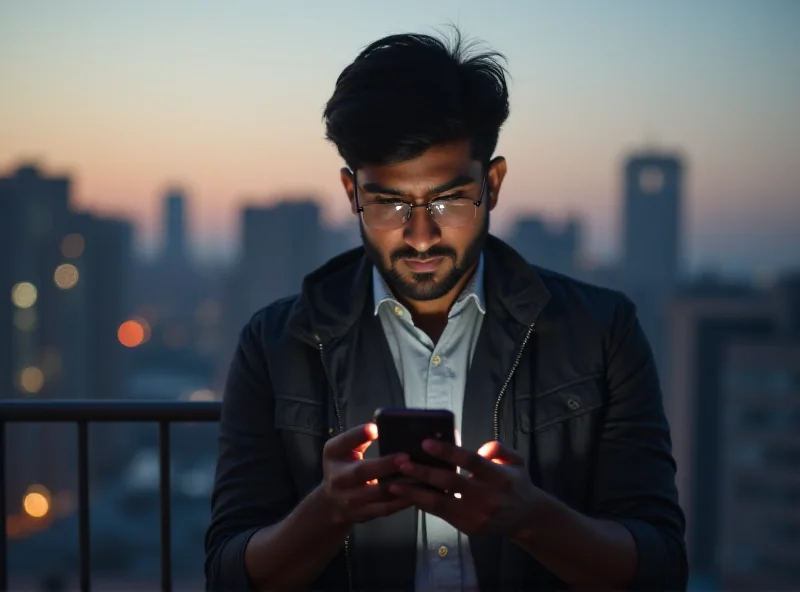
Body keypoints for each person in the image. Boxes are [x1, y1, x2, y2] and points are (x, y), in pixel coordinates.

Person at [204, 28, 687, 592]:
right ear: (351, 193)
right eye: (389, 202)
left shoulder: (601, 331)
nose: (421, 235)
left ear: (493, 183)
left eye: (448, 198)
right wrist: (328, 513)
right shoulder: (275, 344)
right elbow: (228, 574)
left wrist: (532, 520)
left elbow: (659, 567)